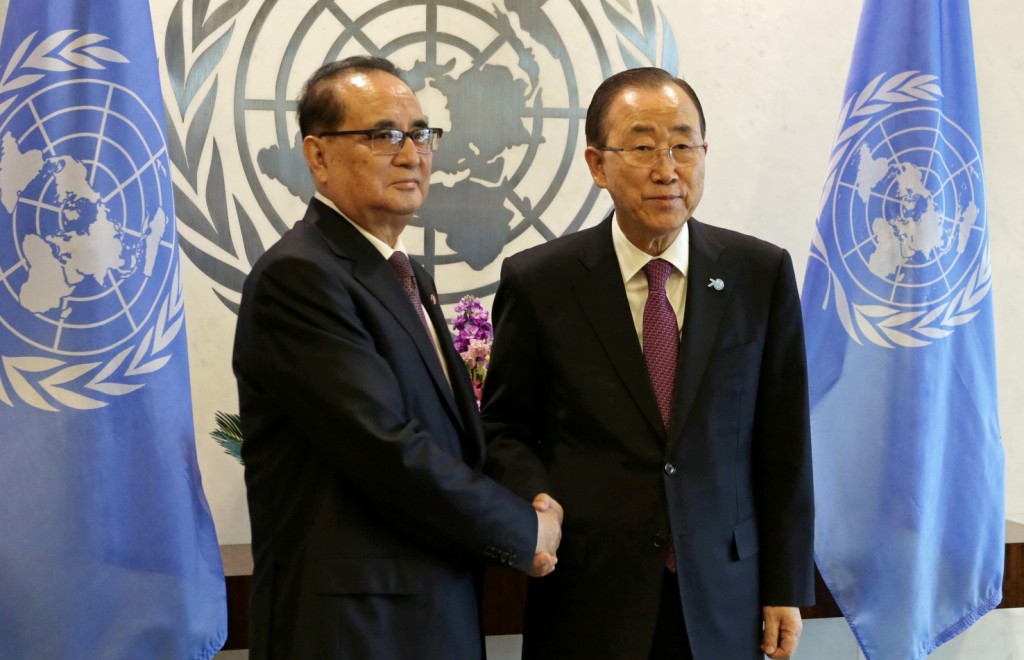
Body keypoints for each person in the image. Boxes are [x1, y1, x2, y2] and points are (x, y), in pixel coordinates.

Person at [232, 55, 562, 660]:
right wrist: (523, 529)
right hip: (351, 630)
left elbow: (452, 441)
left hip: (432, 613)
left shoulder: (407, 275)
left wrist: (531, 490)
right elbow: (385, 449)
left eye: (421, 133)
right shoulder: (300, 276)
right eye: (384, 135)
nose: (412, 154)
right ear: (318, 154)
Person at [481, 67, 814, 660]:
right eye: (641, 147)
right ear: (596, 163)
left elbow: (784, 444)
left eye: (684, 145)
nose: (667, 169)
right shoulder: (540, 281)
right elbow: (506, 428)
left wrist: (785, 585)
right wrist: (534, 498)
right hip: (589, 593)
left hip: (724, 595)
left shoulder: (758, 273)